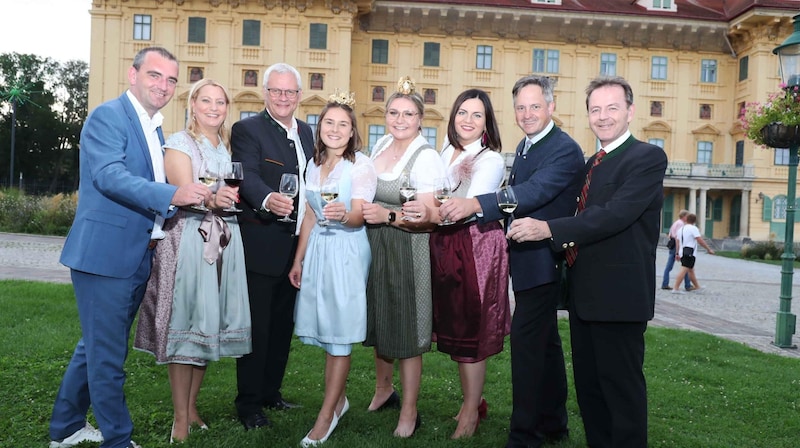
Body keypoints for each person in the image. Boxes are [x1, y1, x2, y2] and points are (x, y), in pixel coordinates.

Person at [49, 47, 210, 448]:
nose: (164, 86)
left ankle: (66, 427)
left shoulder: (153, 126)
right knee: (106, 357)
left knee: (96, 347)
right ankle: (118, 440)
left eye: (172, 80)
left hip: (135, 254)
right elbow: (110, 177)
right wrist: (175, 193)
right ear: (132, 74)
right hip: (105, 256)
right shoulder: (109, 116)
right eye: (155, 75)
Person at [507, 76, 668, 447]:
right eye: (595, 109)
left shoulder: (646, 157)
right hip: (584, 297)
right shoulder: (590, 162)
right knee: (591, 395)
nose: (603, 116)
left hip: (621, 298)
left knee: (622, 395)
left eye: (612, 108)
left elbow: (614, 215)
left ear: (630, 111)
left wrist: (547, 229)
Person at [441, 75, 584, 447]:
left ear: (551, 107)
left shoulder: (563, 149)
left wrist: (476, 204)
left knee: (527, 349)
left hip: (545, 262)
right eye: (521, 107)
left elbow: (532, 192)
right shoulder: (526, 145)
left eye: (535, 106)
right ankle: (554, 424)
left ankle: (524, 435)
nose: (527, 113)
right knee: (546, 346)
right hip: (527, 261)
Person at [133, 78, 252, 442]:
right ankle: (180, 420)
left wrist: (225, 201)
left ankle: (193, 406)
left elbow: (230, 192)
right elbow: (184, 192)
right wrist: (212, 200)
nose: (214, 108)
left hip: (225, 238)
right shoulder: (180, 143)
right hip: (191, 240)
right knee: (186, 331)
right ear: (192, 105)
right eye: (207, 101)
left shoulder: (225, 145)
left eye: (221, 102)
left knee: (206, 327)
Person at [288, 91, 377, 446]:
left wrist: (347, 216)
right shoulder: (314, 164)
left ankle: (326, 416)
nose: (335, 129)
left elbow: (360, 213)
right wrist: (299, 259)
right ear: (319, 126)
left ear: (353, 130)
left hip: (346, 249)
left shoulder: (360, 166)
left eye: (343, 124)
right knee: (327, 332)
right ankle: (337, 400)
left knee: (339, 334)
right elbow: (310, 213)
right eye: (329, 122)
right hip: (320, 250)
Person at [361, 76, 445, 438]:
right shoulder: (381, 143)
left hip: (407, 248)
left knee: (408, 329)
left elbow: (429, 217)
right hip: (374, 245)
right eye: (393, 112)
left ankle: (409, 411)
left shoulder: (426, 158)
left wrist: (388, 216)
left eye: (408, 114)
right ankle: (384, 390)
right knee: (380, 319)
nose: (399, 119)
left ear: (420, 119)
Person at [231, 62, 313, 430]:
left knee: (282, 327)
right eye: (276, 91)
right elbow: (245, 174)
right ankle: (248, 405)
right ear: (266, 93)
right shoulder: (247, 129)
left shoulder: (309, 133)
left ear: (299, 96)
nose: (283, 98)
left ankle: (270, 393)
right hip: (262, 243)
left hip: (297, 246)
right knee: (257, 329)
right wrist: (267, 200)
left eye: (290, 92)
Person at [424, 89, 510, 439]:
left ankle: (471, 412)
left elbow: (465, 206)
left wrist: (423, 209)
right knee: (456, 329)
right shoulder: (446, 151)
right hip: (446, 242)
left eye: (477, 115)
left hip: (474, 247)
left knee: (471, 331)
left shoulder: (490, 159)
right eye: (462, 112)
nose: (468, 120)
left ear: (487, 122)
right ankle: (472, 402)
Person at [672, 213, 715, 293]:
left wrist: (677, 253)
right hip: (689, 251)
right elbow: (699, 240)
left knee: (690, 270)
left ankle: (697, 287)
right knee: (684, 269)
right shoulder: (693, 228)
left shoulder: (681, 229)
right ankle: (676, 288)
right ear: (694, 221)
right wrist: (708, 249)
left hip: (682, 251)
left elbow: (677, 241)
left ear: (687, 219)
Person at [662, 209, 692, 290]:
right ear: (684, 216)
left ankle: (665, 283)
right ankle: (687, 285)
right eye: (687, 216)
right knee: (685, 264)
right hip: (676, 245)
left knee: (672, 266)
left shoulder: (676, 223)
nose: (687, 218)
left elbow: (670, 234)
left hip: (673, 244)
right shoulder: (680, 224)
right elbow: (677, 237)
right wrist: (678, 251)